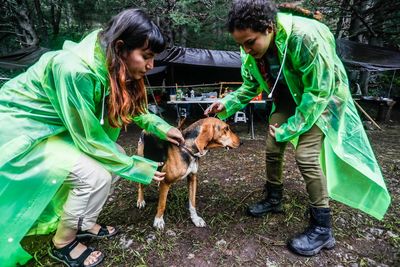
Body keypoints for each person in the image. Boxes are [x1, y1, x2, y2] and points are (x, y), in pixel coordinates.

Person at [204, 0, 391, 256]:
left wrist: (289, 128)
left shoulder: (306, 37)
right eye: (241, 45)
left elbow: (318, 92)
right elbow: (250, 86)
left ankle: (323, 228)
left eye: (250, 42)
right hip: (288, 99)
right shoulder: (251, 51)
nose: (246, 50)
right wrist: (224, 103)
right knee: (272, 147)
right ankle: (273, 198)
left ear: (269, 27)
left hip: (322, 101)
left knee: (305, 155)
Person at [0, 8, 184, 267]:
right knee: (93, 174)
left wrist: (163, 128)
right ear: (121, 47)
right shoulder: (75, 70)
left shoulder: (109, 62)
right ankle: (63, 244)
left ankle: (83, 223)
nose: (151, 65)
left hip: (54, 129)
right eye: (146, 56)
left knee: (114, 157)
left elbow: (134, 109)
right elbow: (89, 139)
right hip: (22, 129)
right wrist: (136, 167)